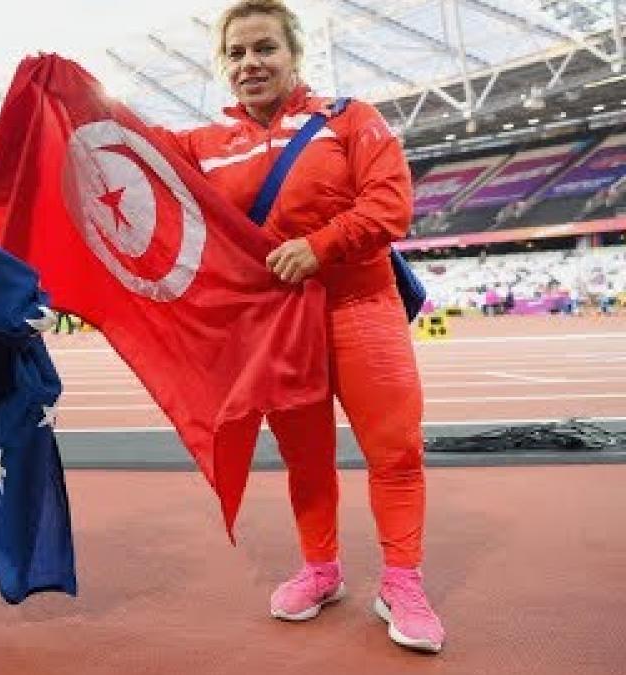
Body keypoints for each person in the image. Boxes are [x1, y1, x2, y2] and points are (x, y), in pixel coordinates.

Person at [154, 0, 444, 653]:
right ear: (222, 66)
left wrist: (322, 244)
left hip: (359, 306)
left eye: (264, 48)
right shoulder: (205, 145)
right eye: (236, 53)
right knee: (305, 458)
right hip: (278, 324)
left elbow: (391, 203)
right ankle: (322, 568)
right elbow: (122, 149)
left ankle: (402, 579)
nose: (250, 63)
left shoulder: (350, 119)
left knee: (395, 451)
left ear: (295, 55)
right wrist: (66, 95)